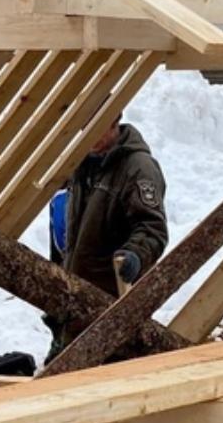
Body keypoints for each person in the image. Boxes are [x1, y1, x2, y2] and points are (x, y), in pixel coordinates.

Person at [51, 119, 169, 348]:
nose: (89, 134)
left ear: (114, 119)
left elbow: (152, 228)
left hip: (111, 301)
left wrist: (134, 255)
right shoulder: (80, 163)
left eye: (97, 126)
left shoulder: (138, 168)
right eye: (85, 127)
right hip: (74, 303)